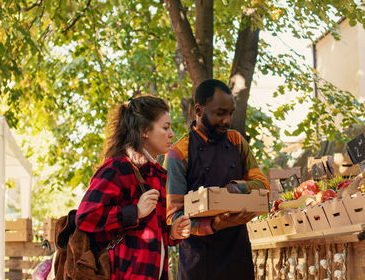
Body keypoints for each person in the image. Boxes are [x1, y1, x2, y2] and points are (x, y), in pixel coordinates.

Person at [75, 95, 191, 280]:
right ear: (144, 130)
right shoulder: (117, 169)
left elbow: (151, 232)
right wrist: (134, 211)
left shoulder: (157, 174)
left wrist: (172, 233)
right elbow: (85, 217)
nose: (171, 134)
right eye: (165, 127)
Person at [166, 79, 271, 280]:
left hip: (238, 258)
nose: (227, 121)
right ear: (199, 110)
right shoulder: (178, 153)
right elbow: (174, 217)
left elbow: (262, 185)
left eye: (230, 113)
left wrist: (232, 191)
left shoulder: (237, 141)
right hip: (198, 266)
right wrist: (213, 224)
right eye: (220, 113)